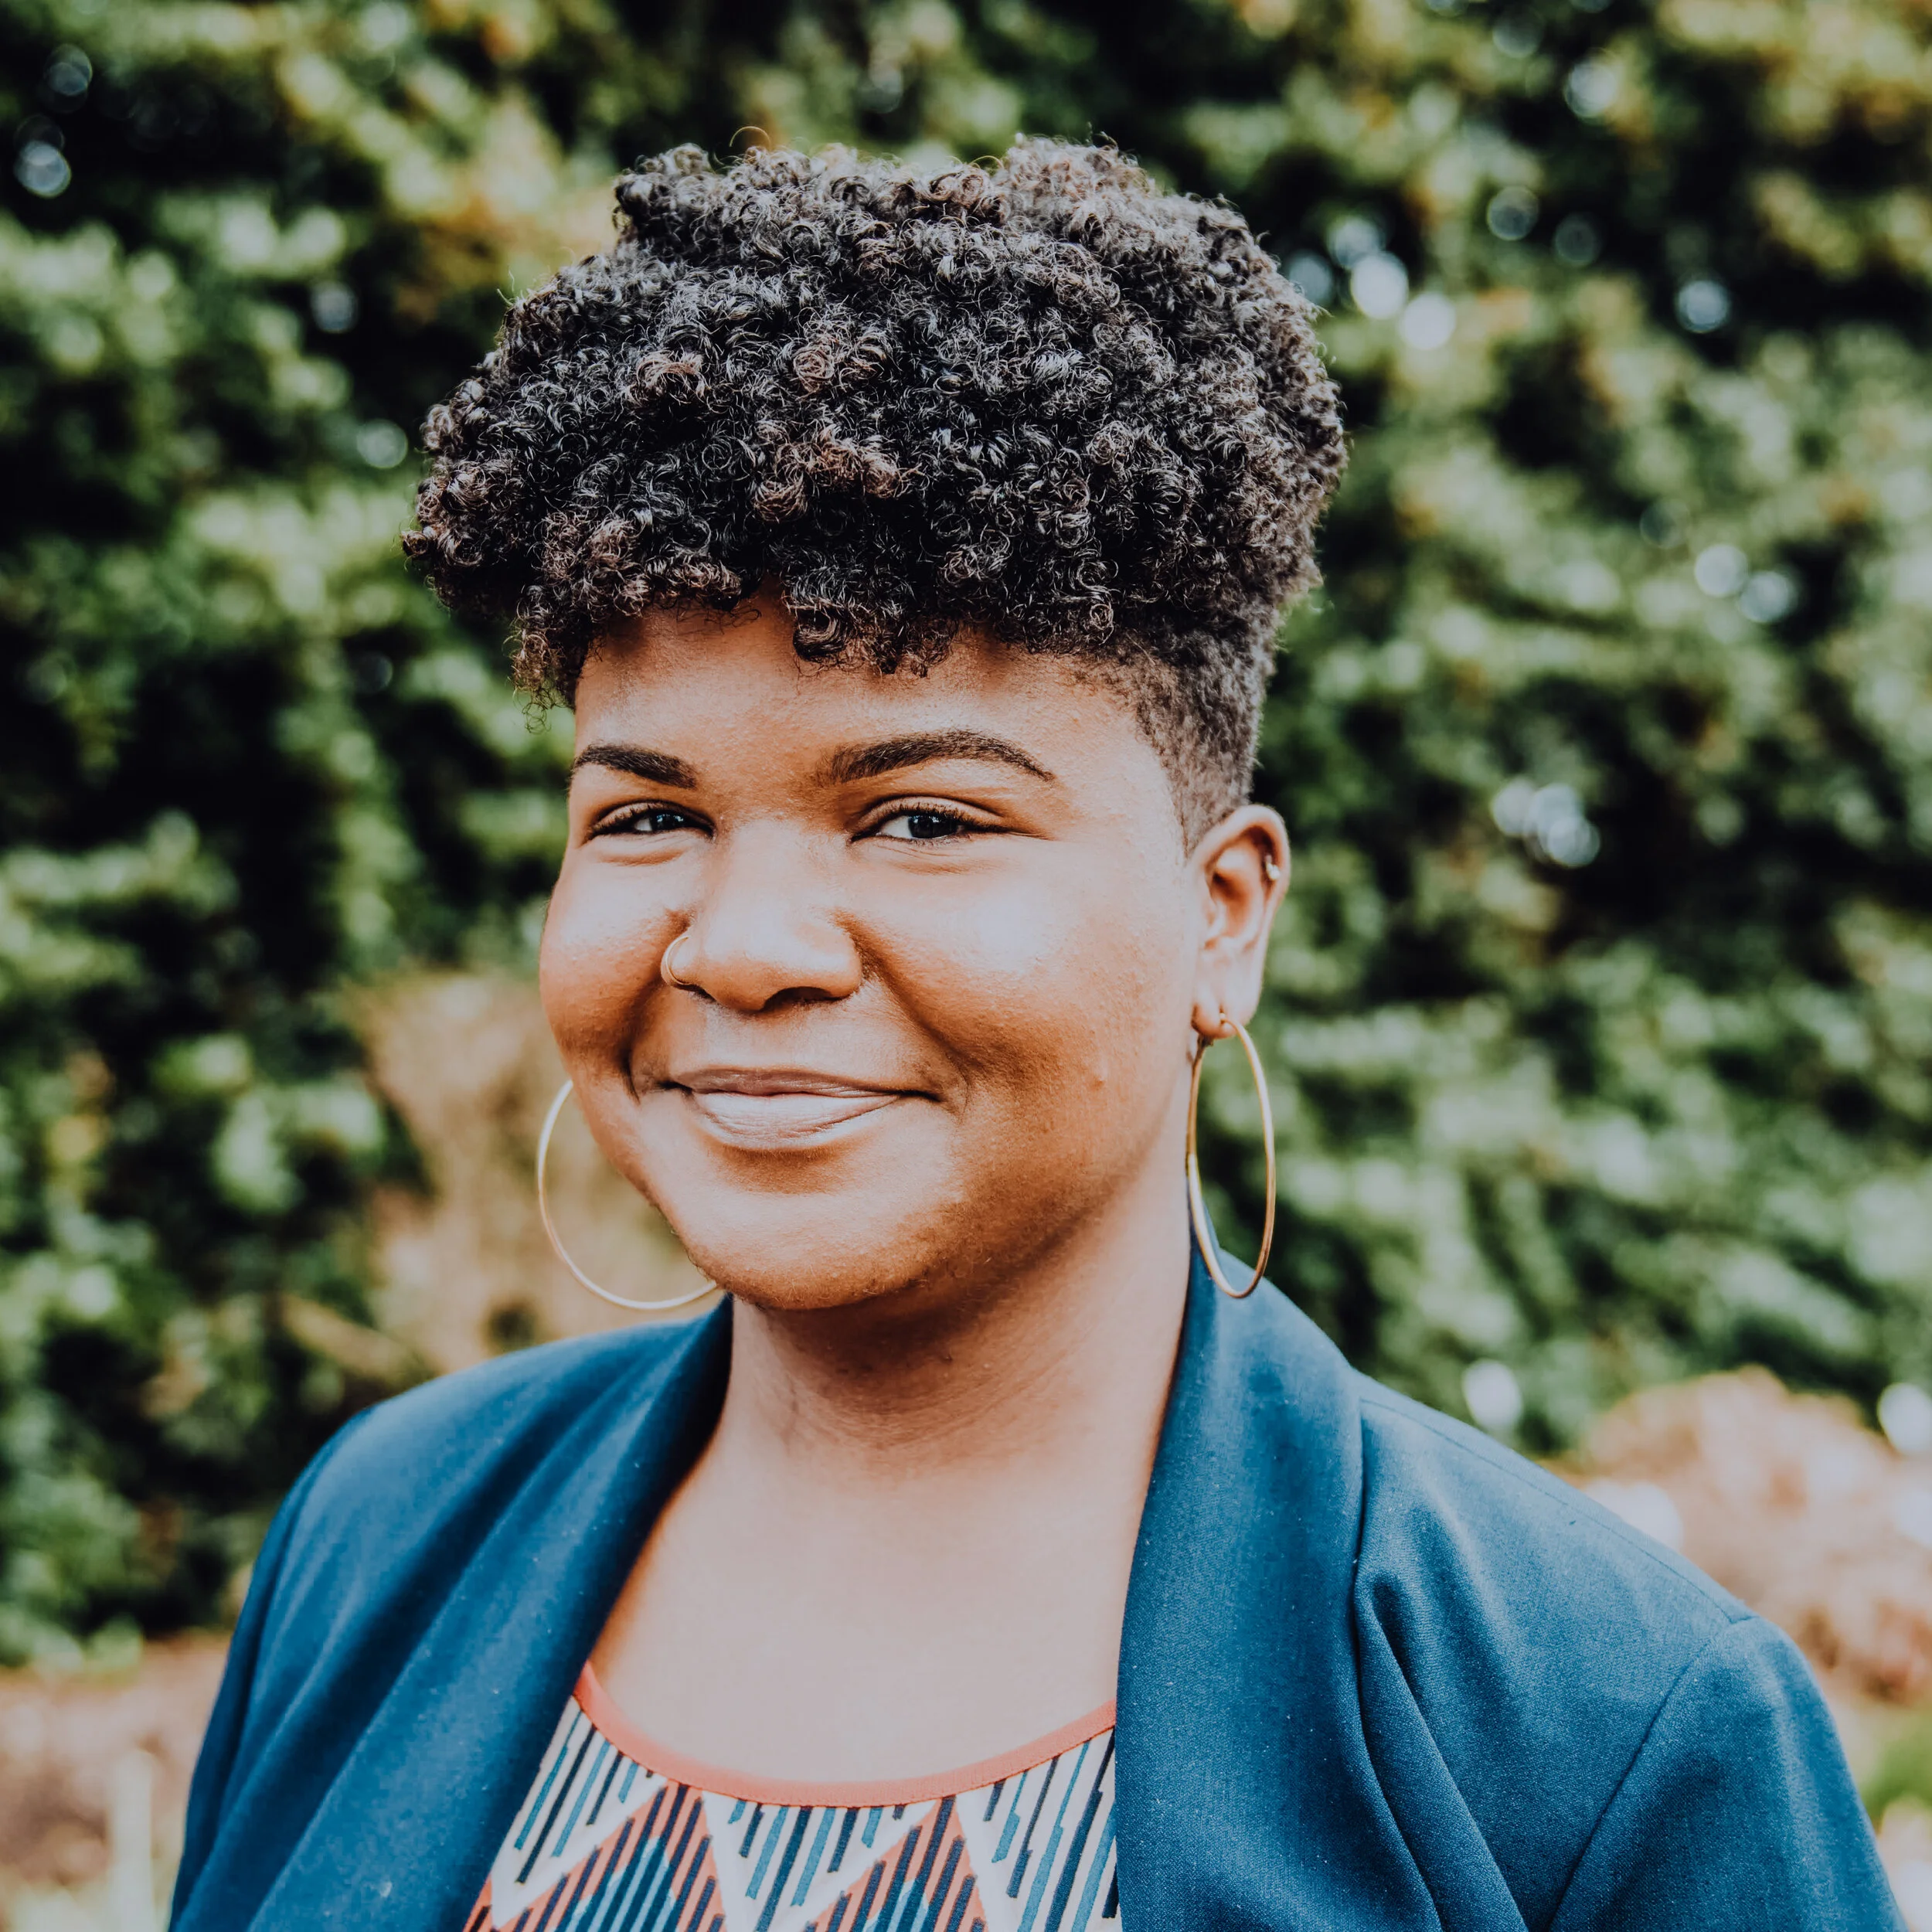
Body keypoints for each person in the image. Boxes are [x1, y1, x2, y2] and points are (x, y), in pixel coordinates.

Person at [171, 141, 1898, 1931]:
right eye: (646, 815)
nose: (742, 945)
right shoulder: (378, 1536)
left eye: (921, 815)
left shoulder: (1601, 1729)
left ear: (1222, 912)